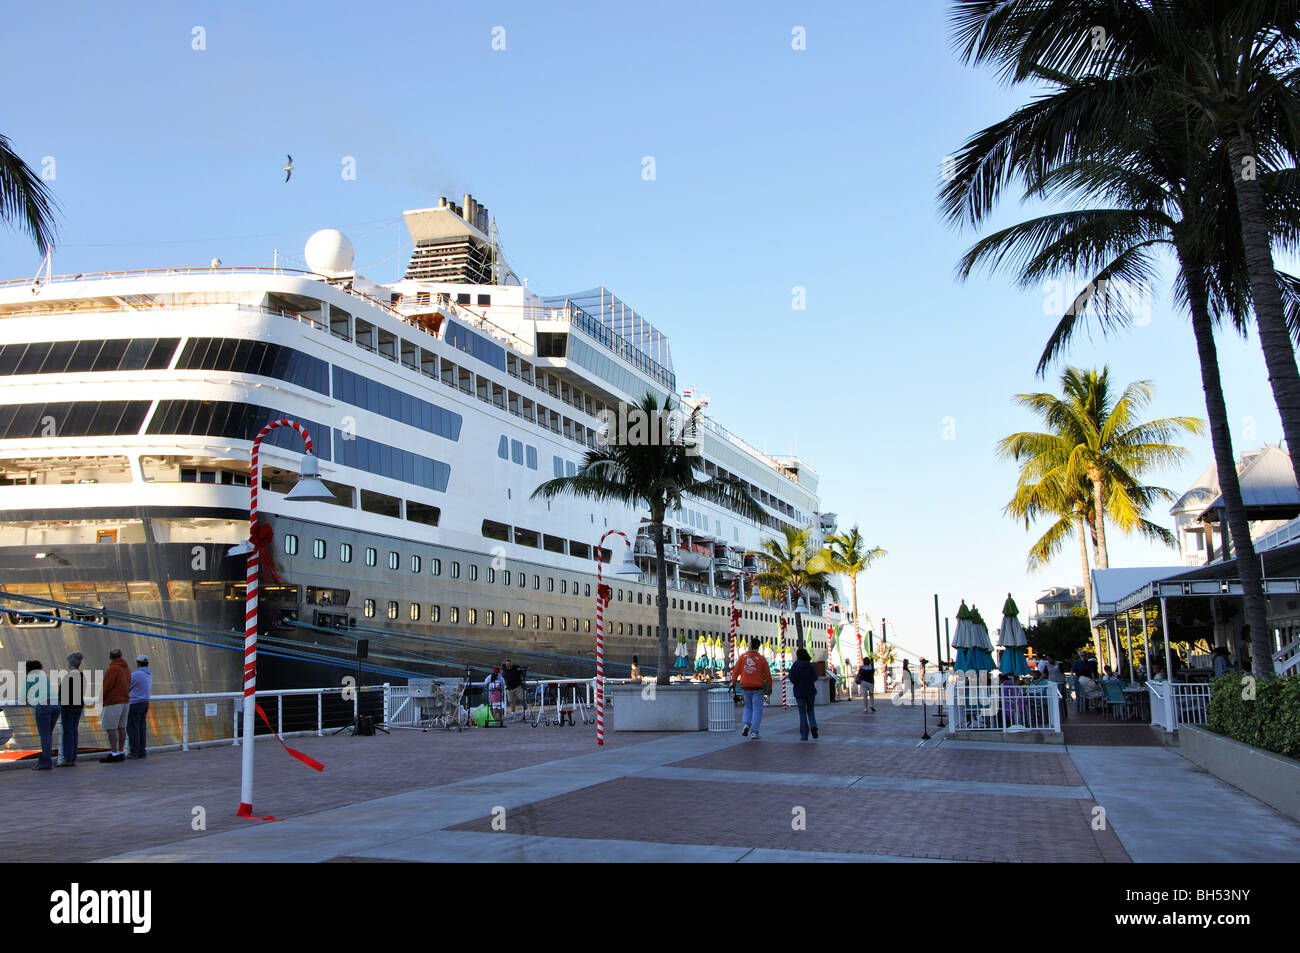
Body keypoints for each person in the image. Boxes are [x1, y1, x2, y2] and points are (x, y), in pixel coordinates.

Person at [730, 637, 772, 740]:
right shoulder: (762, 659)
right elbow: (768, 675)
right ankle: (754, 731)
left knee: (748, 706)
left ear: (750, 645)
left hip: (745, 686)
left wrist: (733, 683)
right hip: (757, 687)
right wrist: (769, 687)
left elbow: (735, 672)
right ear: (758, 646)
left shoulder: (742, 657)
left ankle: (746, 724)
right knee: (757, 709)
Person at [25, 661, 59, 770]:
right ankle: (43, 760)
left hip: (44, 705)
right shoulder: (44, 677)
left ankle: (46, 763)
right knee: (48, 735)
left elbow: (23, 695)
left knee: (45, 735)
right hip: (56, 705)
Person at [99, 649, 131, 763]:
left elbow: (107, 686)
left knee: (111, 727)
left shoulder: (113, 669)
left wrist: (100, 698)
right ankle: (121, 752)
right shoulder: (126, 668)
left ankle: (114, 753)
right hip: (125, 701)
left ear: (110, 657)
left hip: (113, 702)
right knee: (121, 727)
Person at [59, 653, 87, 766]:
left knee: (68, 732)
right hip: (78, 705)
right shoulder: (81, 675)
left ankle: (68, 758)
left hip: (68, 707)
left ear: (70, 664)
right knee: (74, 731)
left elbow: (62, 693)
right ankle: (73, 756)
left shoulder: (69, 676)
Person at [787, 648, 820, 740]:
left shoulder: (795, 665)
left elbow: (791, 678)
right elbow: (815, 677)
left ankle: (804, 735)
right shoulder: (810, 665)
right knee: (810, 711)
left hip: (799, 692)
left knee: (802, 713)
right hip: (810, 692)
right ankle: (813, 726)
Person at [126, 654, 152, 759]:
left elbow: (127, 686)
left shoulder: (136, 675)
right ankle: (142, 751)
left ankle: (134, 752)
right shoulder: (149, 674)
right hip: (145, 702)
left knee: (133, 728)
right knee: (142, 728)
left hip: (135, 703)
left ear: (138, 663)